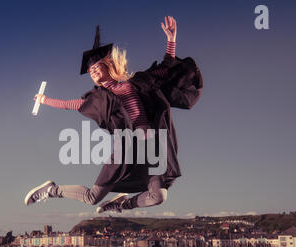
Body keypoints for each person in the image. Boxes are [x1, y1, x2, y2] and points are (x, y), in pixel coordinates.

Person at [24, 16, 203, 213]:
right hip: (125, 151)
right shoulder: (101, 98)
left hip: (152, 148)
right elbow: (72, 104)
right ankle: (52, 190)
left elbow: (165, 69)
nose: (92, 71)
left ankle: (121, 204)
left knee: (159, 196)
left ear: (108, 64)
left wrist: (171, 40)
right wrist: (44, 100)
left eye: (96, 66)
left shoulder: (137, 82)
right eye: (90, 71)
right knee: (92, 197)